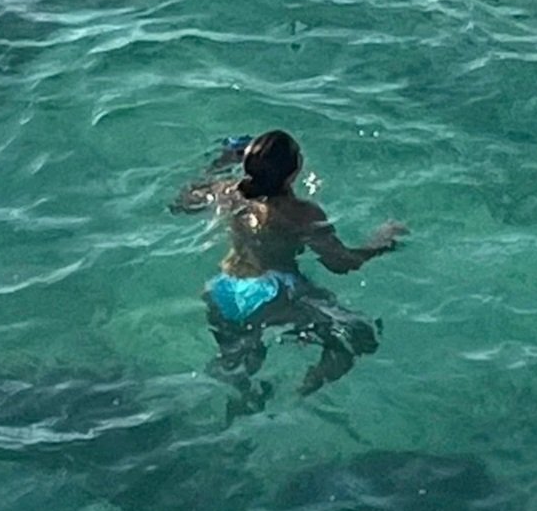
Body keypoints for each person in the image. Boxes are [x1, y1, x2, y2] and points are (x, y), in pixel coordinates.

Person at [171, 129, 405, 416]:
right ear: (293, 173)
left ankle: (239, 408)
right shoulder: (303, 213)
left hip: (222, 291)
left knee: (239, 365)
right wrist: (381, 242)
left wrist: (221, 162)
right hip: (269, 294)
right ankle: (300, 393)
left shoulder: (227, 192)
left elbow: (182, 203)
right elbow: (342, 263)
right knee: (358, 335)